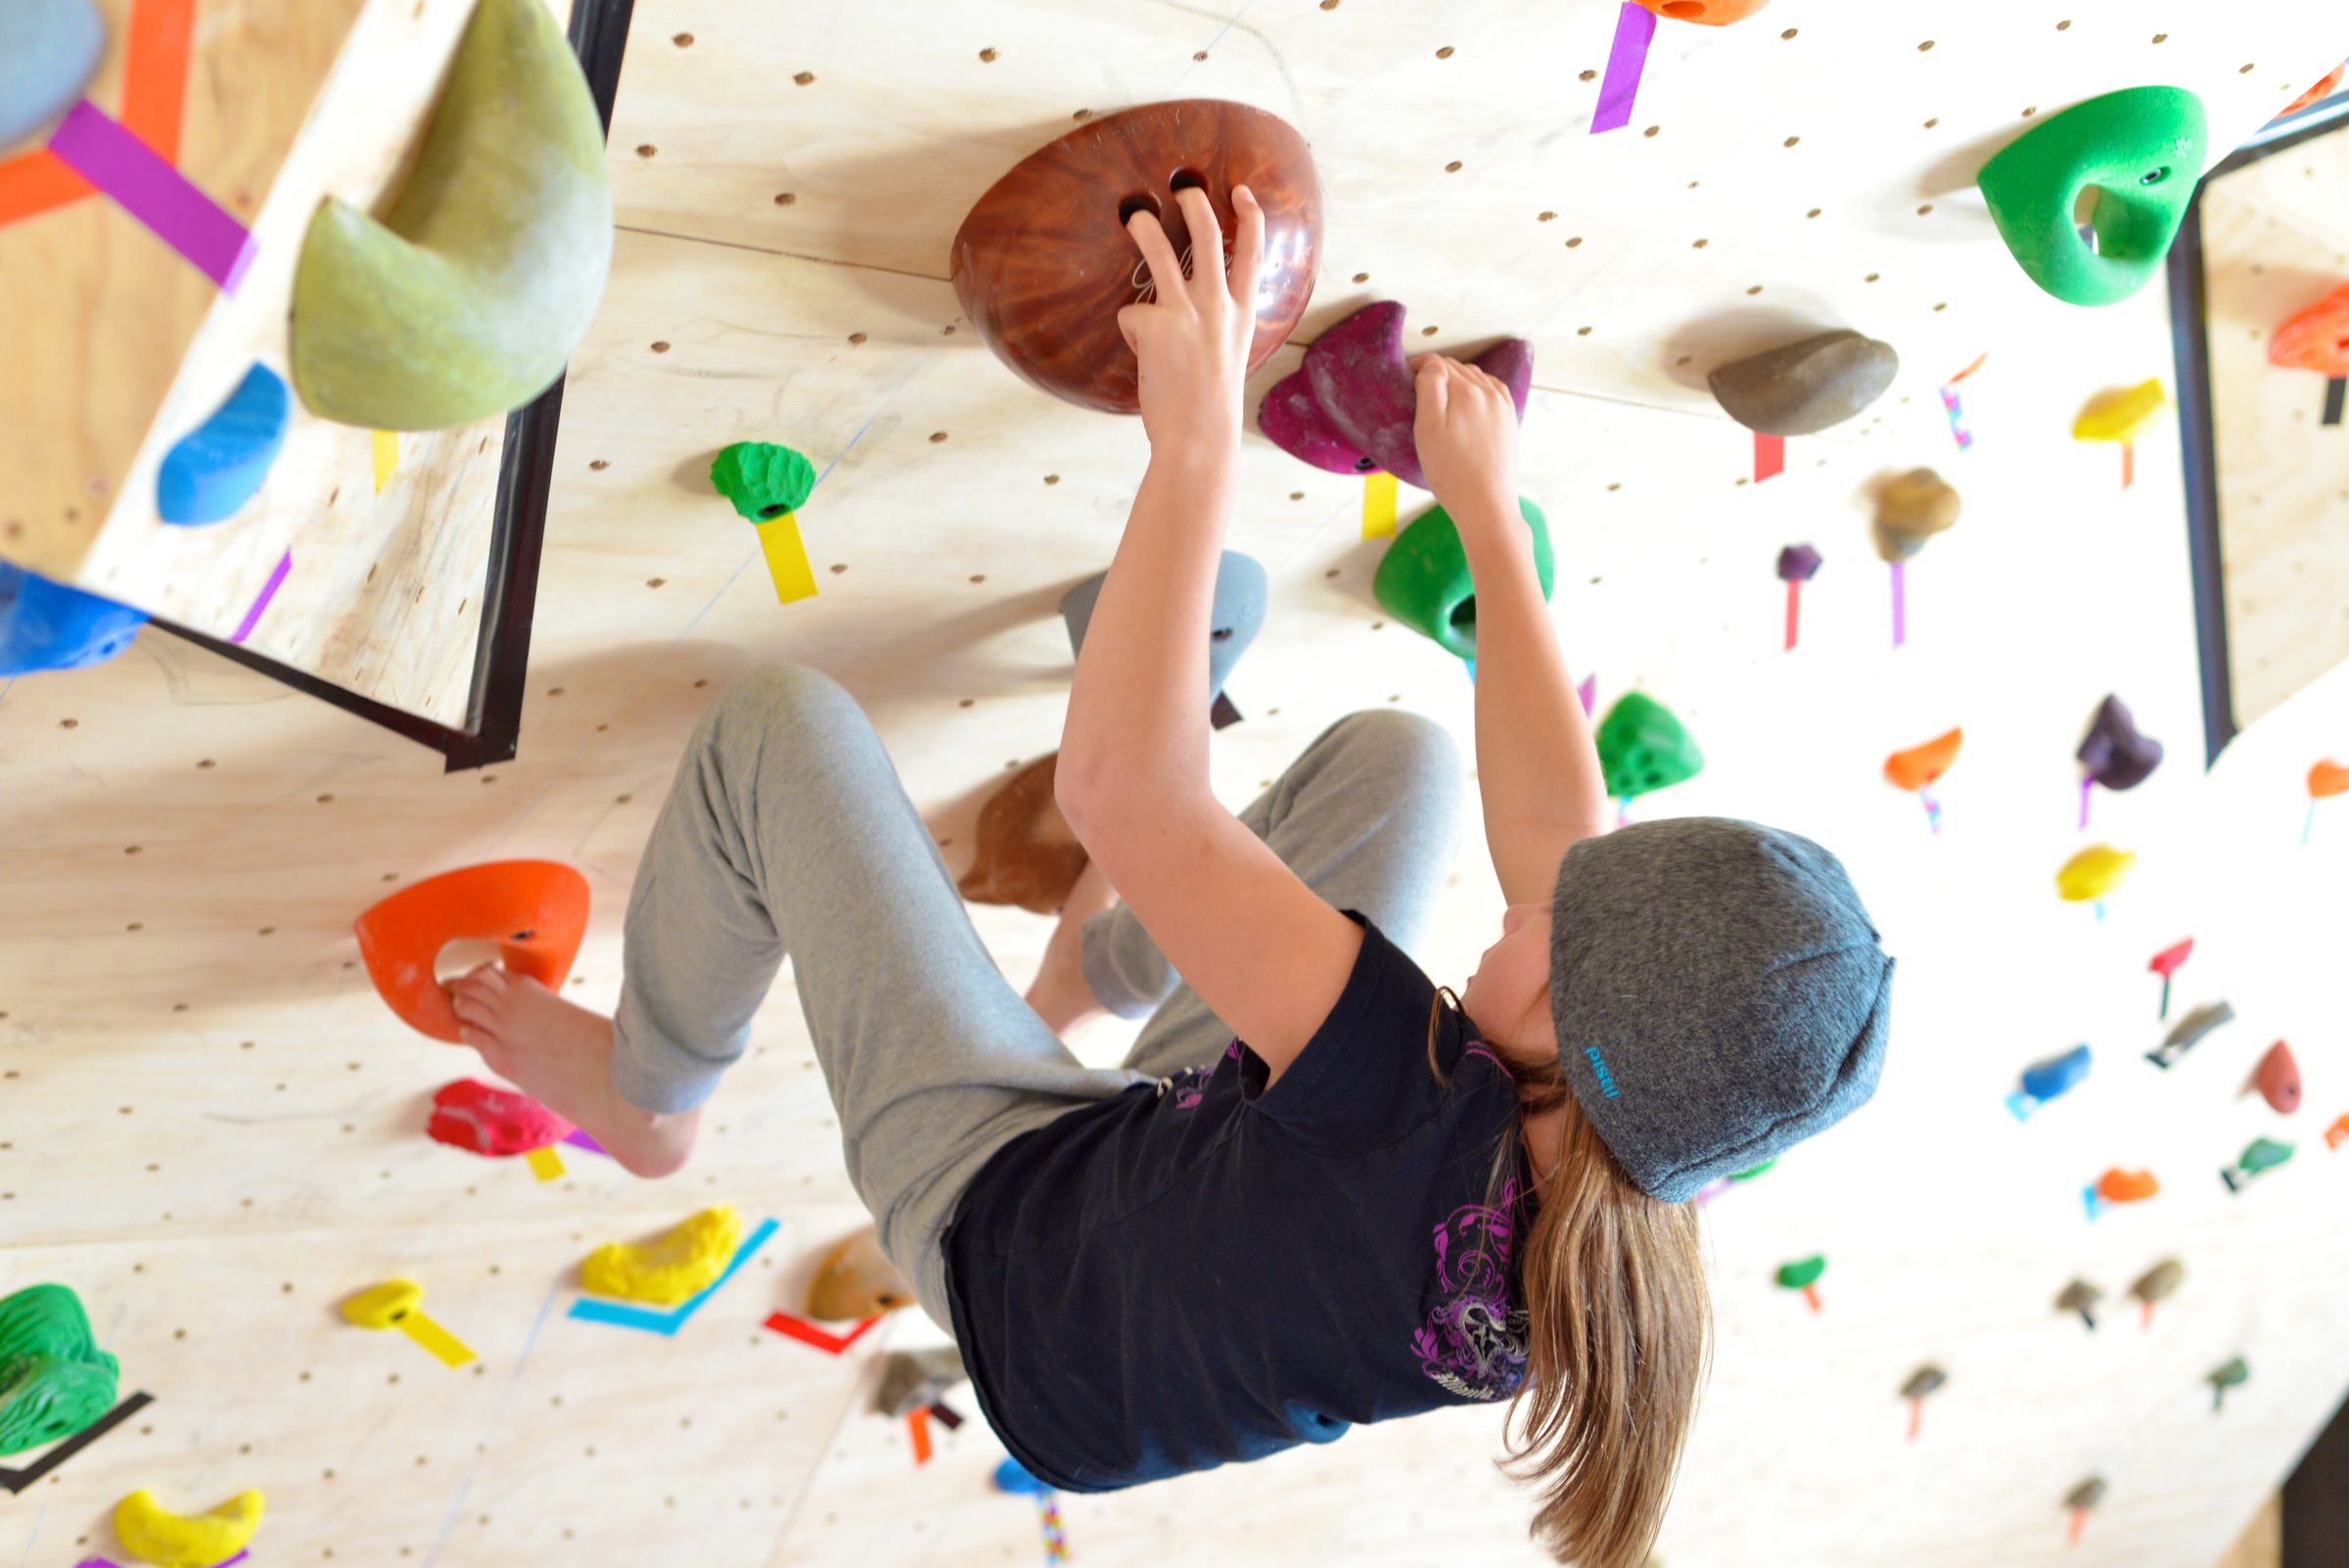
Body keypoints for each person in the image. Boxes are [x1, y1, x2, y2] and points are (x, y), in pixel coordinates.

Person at [447, 183, 1894, 1568]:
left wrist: (1193, 439)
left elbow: (1123, 794)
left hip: (1013, 1254)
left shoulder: (1410, 1101)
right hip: (1194, 1177)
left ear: (1579, 1055)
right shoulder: (1640, 1160)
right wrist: (1488, 521)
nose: (1536, 894)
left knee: (781, 729)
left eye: (1555, 931)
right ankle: (1082, 974)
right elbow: (1555, 835)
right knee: (1403, 760)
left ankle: (649, 1099)